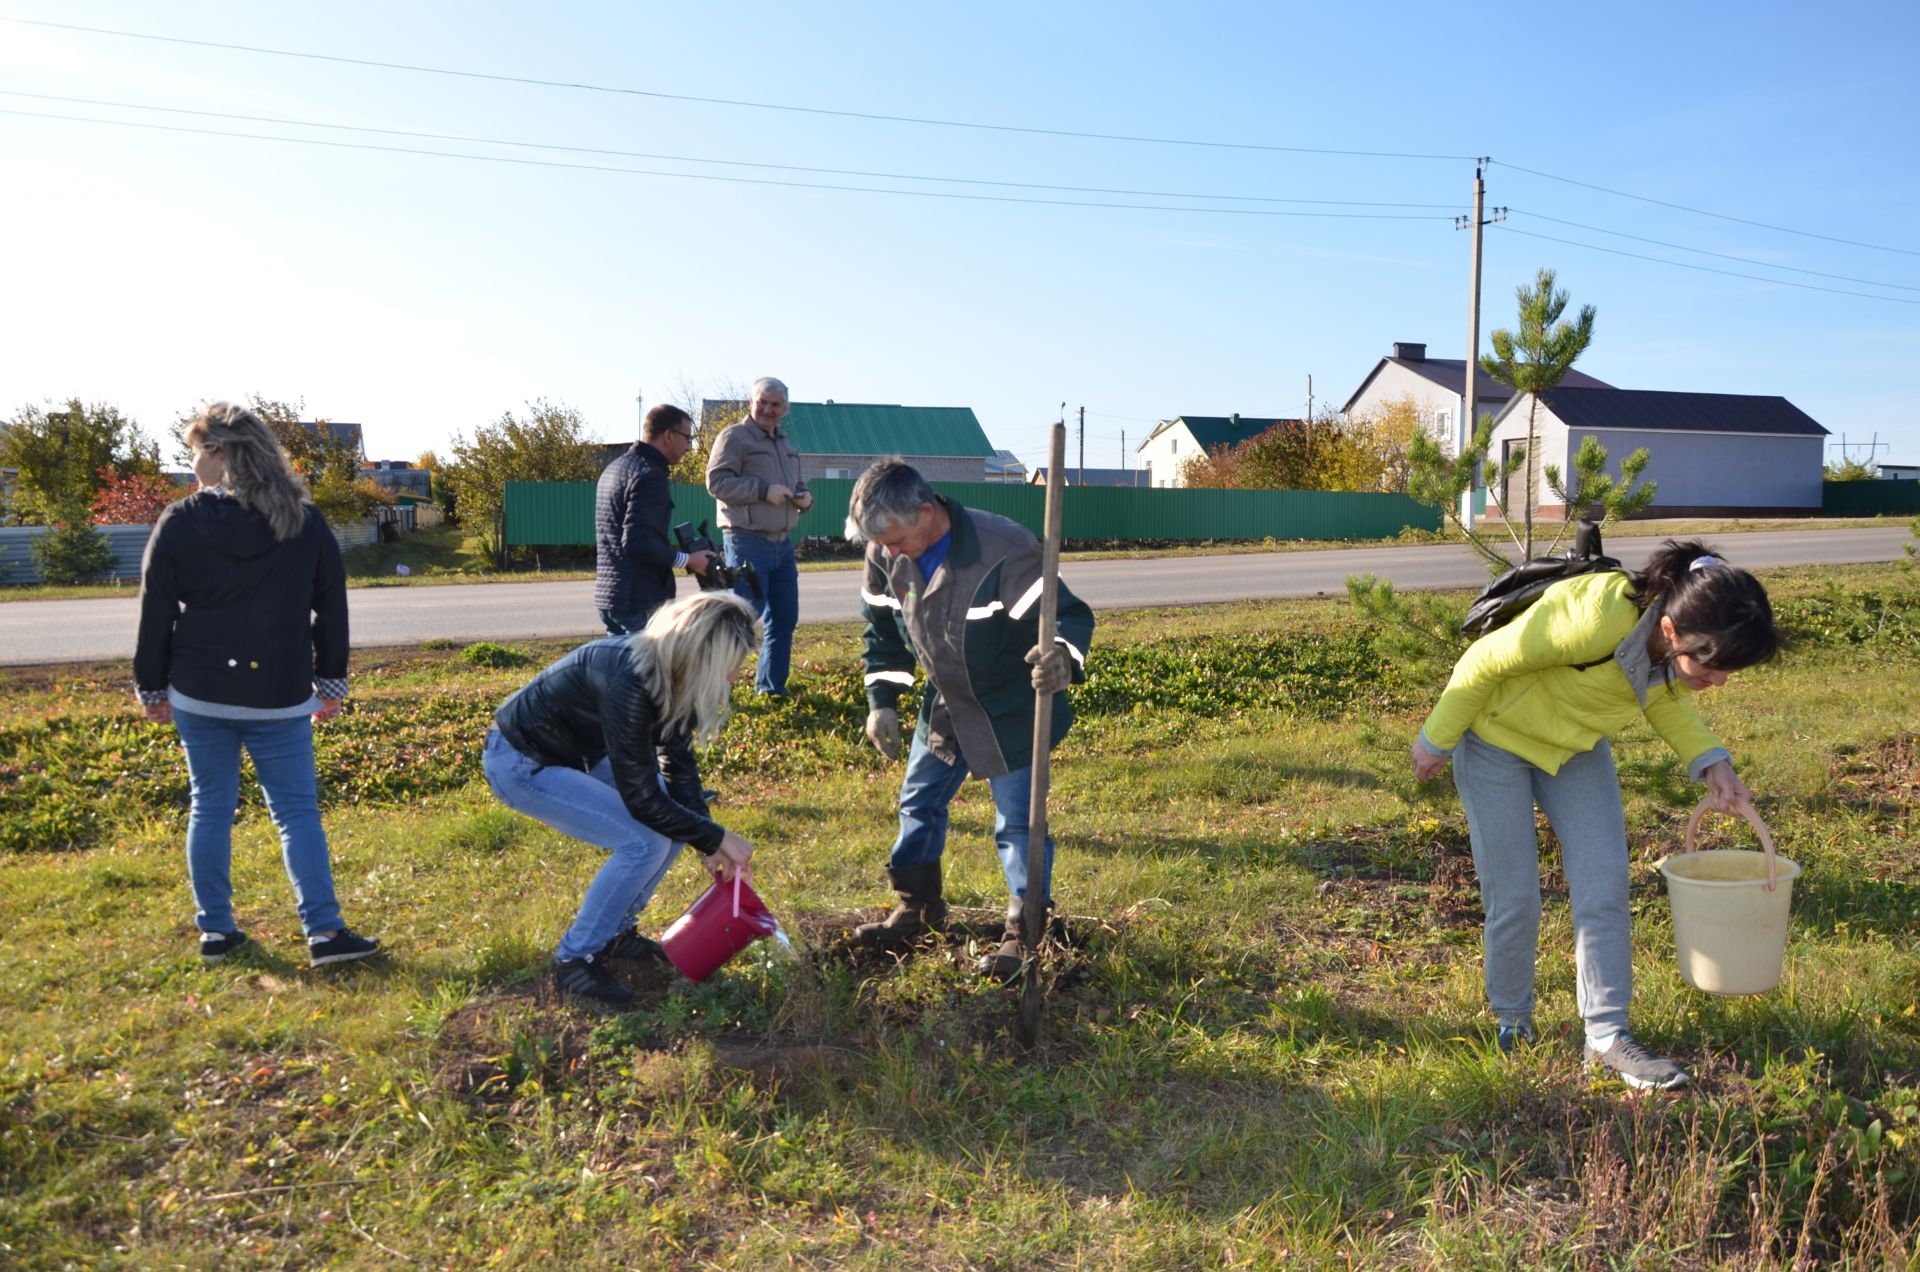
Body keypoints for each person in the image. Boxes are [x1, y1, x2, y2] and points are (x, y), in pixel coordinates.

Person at [1410, 539, 1780, 1090]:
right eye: (1713, 663)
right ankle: (1512, 1022)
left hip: (1574, 750)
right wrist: (1437, 739)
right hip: (1494, 742)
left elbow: (1665, 700)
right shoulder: (1597, 617)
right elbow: (1486, 659)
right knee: (1514, 896)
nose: (1718, 680)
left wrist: (1712, 763)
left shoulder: (1667, 643)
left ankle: (1607, 1038)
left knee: (1604, 885)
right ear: (1672, 628)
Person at [133, 402, 380, 968]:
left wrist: (152, 688)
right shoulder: (304, 520)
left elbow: (156, 612)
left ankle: (216, 932)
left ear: (220, 454)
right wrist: (332, 683)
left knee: (210, 809)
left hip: (198, 690)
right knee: (296, 814)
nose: (191, 460)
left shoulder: (180, 520)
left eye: (195, 450)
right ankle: (324, 933)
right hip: (279, 693)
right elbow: (331, 609)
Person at [847, 458, 1095, 981]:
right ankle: (917, 908)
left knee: (1017, 822)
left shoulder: (1001, 549)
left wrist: (1061, 658)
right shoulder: (884, 552)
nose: (889, 554)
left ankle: (1025, 930)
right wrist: (883, 700)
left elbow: (1068, 616)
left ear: (925, 510)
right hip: (945, 700)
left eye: (895, 540)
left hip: (1011, 705)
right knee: (918, 800)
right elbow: (884, 632)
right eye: (881, 545)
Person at [484, 591, 761, 1006]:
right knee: (642, 841)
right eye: (729, 667)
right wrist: (717, 835)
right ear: (701, 654)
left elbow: (679, 766)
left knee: (673, 825)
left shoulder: (672, 671)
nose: (733, 679)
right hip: (523, 762)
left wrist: (708, 842)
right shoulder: (628, 681)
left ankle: (616, 935)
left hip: (577, 755)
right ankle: (575, 960)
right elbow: (642, 801)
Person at [704, 376, 811, 694]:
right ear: (750, 403)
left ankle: (771, 688)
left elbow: (798, 486)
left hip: (783, 544)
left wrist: (805, 498)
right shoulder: (734, 438)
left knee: (784, 618)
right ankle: (715, 690)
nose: (767, 409)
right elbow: (717, 483)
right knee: (740, 621)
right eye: (761, 402)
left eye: (774, 404)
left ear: (785, 409)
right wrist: (763, 491)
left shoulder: (786, 445)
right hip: (746, 541)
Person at [594, 403, 713, 635]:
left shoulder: (615, 467)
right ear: (669, 435)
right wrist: (687, 559)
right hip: (639, 600)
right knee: (653, 670)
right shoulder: (650, 475)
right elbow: (637, 542)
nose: (689, 447)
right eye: (687, 438)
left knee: (622, 670)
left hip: (611, 597)